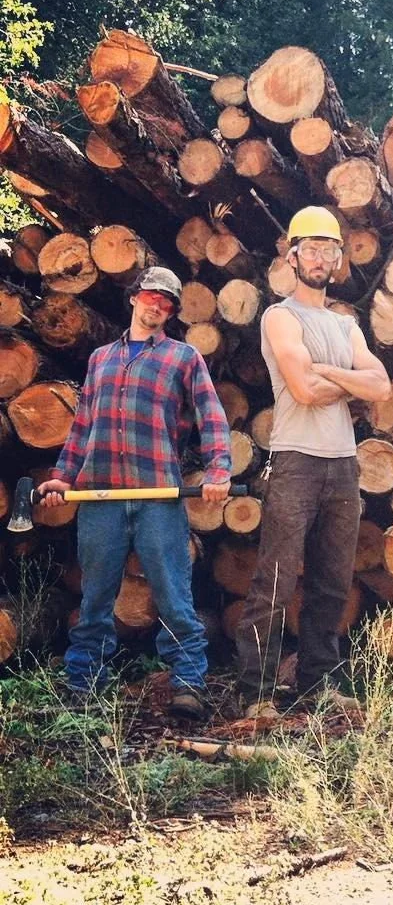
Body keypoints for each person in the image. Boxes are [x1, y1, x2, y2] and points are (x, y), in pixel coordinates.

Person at [38, 266, 232, 721]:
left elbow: (212, 416)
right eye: (150, 296)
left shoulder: (184, 358)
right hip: (99, 497)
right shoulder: (101, 358)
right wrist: (64, 476)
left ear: (171, 311)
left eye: (166, 302)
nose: (156, 305)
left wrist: (219, 469)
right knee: (96, 596)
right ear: (134, 298)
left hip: (158, 497)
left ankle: (187, 684)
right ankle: (84, 683)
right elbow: (83, 424)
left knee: (173, 595)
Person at [235, 207, 391, 718]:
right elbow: (301, 390)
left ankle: (317, 683)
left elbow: (383, 387)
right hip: (296, 461)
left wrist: (325, 370)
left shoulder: (345, 325)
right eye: (312, 249)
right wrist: (346, 379)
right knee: (275, 579)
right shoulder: (279, 316)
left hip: (342, 463)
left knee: (331, 581)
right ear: (293, 254)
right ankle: (257, 693)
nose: (321, 258)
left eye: (330, 250)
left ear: (339, 258)